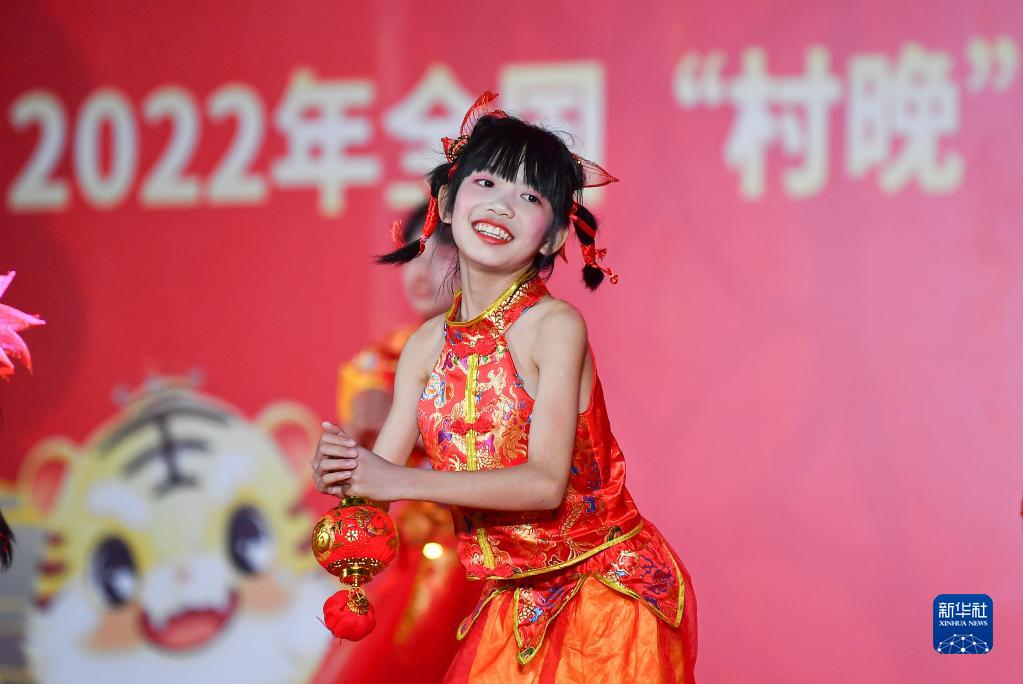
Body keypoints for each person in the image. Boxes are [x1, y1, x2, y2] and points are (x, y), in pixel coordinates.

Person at [311, 92, 698, 682]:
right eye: (487, 182)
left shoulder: (554, 326)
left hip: (605, 600)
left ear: (552, 238)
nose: (502, 205)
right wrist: (347, 480)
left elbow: (544, 483)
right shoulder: (424, 346)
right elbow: (375, 498)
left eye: (530, 197)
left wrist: (393, 479)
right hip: (508, 606)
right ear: (446, 202)